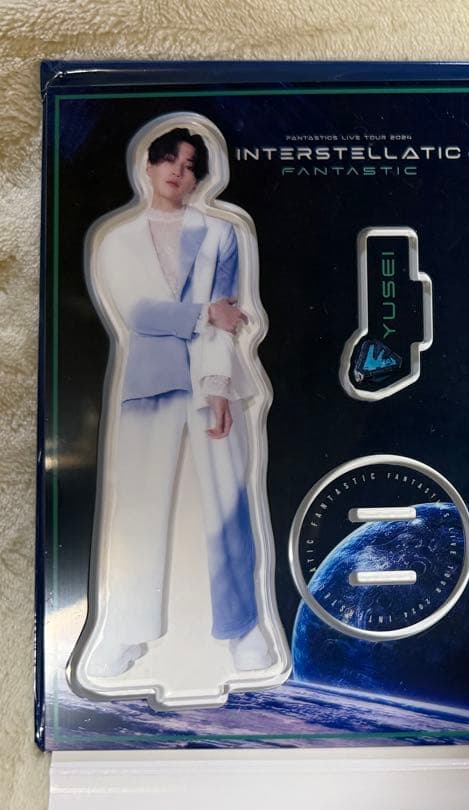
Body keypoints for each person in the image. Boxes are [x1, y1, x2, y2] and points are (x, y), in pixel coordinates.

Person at [81, 126, 274, 679]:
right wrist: (203, 313)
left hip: (211, 380)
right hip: (149, 385)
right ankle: (126, 632)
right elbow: (139, 314)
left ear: (199, 178)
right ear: (147, 164)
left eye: (190, 165)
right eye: (169, 159)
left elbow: (228, 320)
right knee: (139, 508)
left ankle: (243, 629)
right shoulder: (117, 240)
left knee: (230, 505)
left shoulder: (220, 234)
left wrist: (218, 387)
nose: (177, 171)